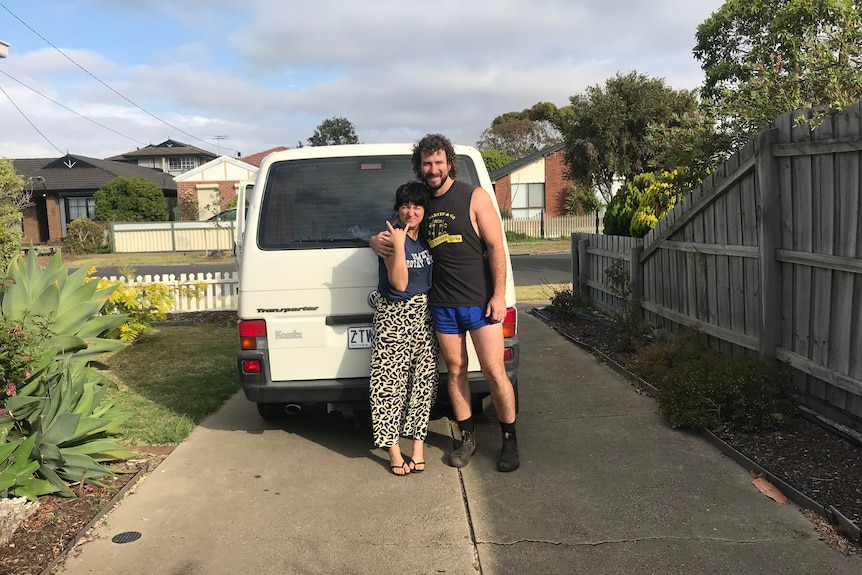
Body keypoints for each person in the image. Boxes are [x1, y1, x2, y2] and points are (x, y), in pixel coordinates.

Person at [371, 134, 520, 472]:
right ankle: (466, 438)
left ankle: (509, 440)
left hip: (480, 303)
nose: (433, 168)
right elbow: (392, 232)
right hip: (441, 305)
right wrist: (371, 241)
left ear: (449, 163)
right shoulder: (421, 203)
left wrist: (498, 295)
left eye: (438, 162)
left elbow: (496, 247)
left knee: (495, 372)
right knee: (455, 371)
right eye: (427, 163)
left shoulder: (474, 196)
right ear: (419, 166)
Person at [369, 181, 438, 476]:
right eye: (406, 206)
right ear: (397, 209)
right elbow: (399, 283)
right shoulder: (388, 238)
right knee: (388, 385)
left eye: (417, 206)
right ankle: (394, 450)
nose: (411, 212)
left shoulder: (427, 238)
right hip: (393, 316)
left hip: (424, 316)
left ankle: (418, 448)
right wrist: (397, 245)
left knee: (423, 384)